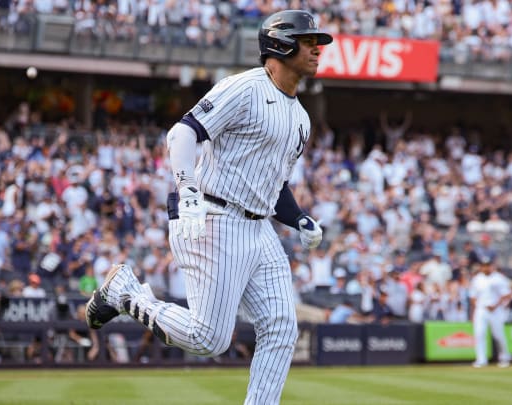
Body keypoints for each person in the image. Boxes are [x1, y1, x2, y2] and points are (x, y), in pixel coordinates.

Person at [84, 10, 331, 405]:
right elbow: (183, 133)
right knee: (208, 338)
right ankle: (127, 294)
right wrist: (188, 190)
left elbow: (276, 184)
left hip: (258, 228)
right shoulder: (244, 88)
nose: (318, 48)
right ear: (281, 44)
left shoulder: (301, 118)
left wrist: (299, 218)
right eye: (308, 40)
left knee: (283, 328)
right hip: (214, 215)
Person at [469, 255, 512, 368]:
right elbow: (473, 296)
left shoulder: (498, 278)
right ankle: (481, 359)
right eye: (483, 266)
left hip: (496, 310)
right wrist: (476, 309)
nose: (485, 268)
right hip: (481, 309)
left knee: (498, 335)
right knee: (479, 333)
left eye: (487, 265)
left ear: (491, 266)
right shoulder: (477, 279)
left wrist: (496, 305)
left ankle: (504, 357)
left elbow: (507, 294)